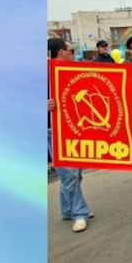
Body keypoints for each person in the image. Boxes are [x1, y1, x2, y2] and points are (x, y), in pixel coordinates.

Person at [48, 38, 93, 233]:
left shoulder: (71, 71)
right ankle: (79, 213)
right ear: (61, 52)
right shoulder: (42, 74)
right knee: (71, 173)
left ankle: (68, 209)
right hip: (54, 131)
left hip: (73, 129)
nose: (73, 54)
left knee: (74, 173)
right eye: (71, 50)